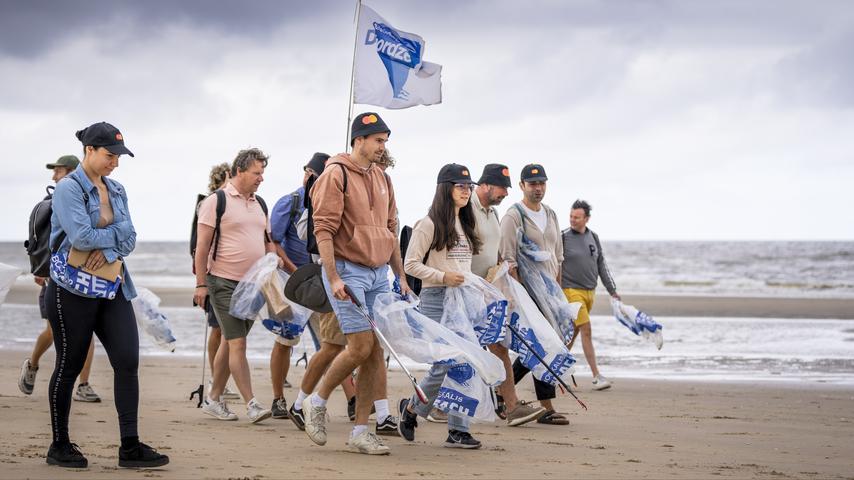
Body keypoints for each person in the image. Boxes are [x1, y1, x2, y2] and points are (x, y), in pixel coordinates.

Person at [45, 122, 168, 468]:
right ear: (89, 151)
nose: (115, 162)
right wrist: (115, 237)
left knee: (127, 361)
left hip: (112, 287)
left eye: (118, 156)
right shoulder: (69, 188)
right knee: (68, 366)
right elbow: (81, 238)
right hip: (70, 290)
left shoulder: (117, 189)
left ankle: (130, 447)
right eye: (110, 155)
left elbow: (130, 238)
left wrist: (112, 251)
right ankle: (60, 444)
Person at [301, 112, 411, 455]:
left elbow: (391, 232)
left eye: (385, 141)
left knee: (375, 352)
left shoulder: (384, 178)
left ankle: (361, 430)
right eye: (378, 140)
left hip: (379, 272)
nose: (382, 147)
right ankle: (316, 402)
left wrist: (401, 277)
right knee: (360, 347)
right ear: (358, 139)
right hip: (348, 271)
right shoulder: (335, 175)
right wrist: (333, 276)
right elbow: (323, 230)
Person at [398, 163, 484, 449]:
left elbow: (464, 266)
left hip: (461, 300)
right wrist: (442, 276)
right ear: (445, 189)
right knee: (443, 365)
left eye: (469, 187)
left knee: (464, 363)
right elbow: (411, 264)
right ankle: (412, 409)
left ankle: (458, 430)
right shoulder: (429, 223)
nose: (466, 192)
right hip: (436, 300)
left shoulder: (465, 223)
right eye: (460, 186)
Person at [194, 148, 277, 424]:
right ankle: (251, 404)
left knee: (231, 344)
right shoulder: (215, 202)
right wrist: (201, 285)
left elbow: (267, 241)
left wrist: (271, 264)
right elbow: (202, 247)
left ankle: (213, 399)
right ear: (239, 171)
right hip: (223, 282)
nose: (261, 178)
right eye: (256, 173)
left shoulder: (260, 203)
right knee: (237, 342)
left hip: (253, 285)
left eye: (263, 173)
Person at [19, 154, 101, 403]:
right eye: (54, 172)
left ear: (74, 173)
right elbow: (41, 240)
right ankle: (32, 364)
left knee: (87, 333)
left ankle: (83, 385)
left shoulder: (90, 200)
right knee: (53, 331)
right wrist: (39, 269)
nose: (54, 176)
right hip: (54, 277)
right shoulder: (50, 203)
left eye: (59, 171)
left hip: (85, 276)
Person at [470, 164, 546, 426]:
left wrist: (506, 280)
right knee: (463, 352)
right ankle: (429, 405)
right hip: (465, 291)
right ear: (486, 185)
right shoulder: (465, 208)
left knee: (499, 346)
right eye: (502, 188)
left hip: (488, 291)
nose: (505, 193)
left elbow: (494, 251)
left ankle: (511, 407)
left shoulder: (492, 212)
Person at [499, 164, 569, 426]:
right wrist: (520, 297)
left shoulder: (550, 214)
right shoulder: (513, 216)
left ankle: (500, 392)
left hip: (550, 293)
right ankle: (546, 407)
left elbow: (557, 257)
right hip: (527, 293)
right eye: (532, 183)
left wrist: (558, 293)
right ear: (522, 186)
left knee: (542, 346)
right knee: (541, 347)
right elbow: (508, 259)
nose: (538, 188)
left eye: (541, 183)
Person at [267, 153, 328, 420]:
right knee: (286, 340)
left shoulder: (327, 201)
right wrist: (296, 271)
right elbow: (273, 242)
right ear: (306, 173)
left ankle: (349, 401)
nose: (312, 180)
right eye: (311, 175)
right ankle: (278, 399)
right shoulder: (289, 203)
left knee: (329, 343)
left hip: (320, 282)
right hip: (292, 283)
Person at [561, 199, 619, 391]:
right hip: (570, 291)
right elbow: (554, 263)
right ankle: (597, 376)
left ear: (586, 218)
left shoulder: (593, 237)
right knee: (586, 329)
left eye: (577, 217)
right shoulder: (563, 237)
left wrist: (612, 290)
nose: (572, 220)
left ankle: (556, 370)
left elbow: (601, 264)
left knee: (573, 333)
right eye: (571, 216)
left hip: (589, 292)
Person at [196, 163, 240, 401]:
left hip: (234, 277)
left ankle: (220, 379)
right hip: (217, 275)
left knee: (225, 331)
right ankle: (216, 377)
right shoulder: (211, 202)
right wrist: (200, 281)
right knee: (217, 328)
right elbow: (199, 243)